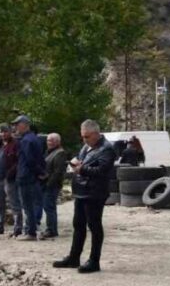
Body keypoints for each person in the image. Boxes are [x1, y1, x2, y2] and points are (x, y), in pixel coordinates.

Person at [54, 120, 115, 273]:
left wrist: (82, 169)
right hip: (81, 191)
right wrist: (75, 164)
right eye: (83, 136)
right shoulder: (87, 146)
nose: (84, 140)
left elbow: (102, 170)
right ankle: (74, 257)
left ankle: (94, 261)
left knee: (94, 226)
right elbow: (80, 159)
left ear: (96, 134)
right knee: (78, 225)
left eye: (87, 136)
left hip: (95, 193)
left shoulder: (107, 149)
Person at [13, 115, 46, 241]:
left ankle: (30, 232)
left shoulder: (26, 140)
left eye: (17, 124)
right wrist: (41, 172)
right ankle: (31, 230)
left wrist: (39, 172)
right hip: (31, 176)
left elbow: (30, 160)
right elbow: (40, 159)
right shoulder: (34, 138)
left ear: (25, 124)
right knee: (32, 204)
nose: (15, 127)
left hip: (26, 176)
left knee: (27, 206)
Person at [0, 124, 23, 236]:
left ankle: (18, 228)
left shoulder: (16, 144)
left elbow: (19, 161)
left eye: (5, 131)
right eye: (1, 132)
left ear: (10, 132)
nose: (3, 134)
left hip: (9, 178)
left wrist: (11, 173)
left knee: (14, 203)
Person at [40, 133, 69, 240]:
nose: (49, 142)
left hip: (52, 185)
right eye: (48, 140)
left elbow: (57, 172)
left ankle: (51, 230)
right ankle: (51, 229)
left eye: (52, 140)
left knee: (49, 207)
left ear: (58, 141)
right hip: (46, 183)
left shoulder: (60, 153)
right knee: (48, 207)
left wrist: (48, 184)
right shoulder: (49, 152)